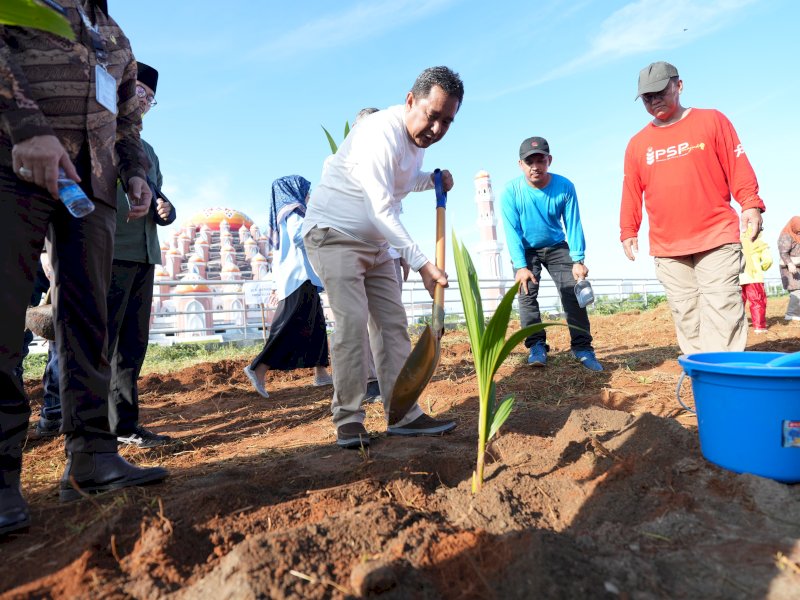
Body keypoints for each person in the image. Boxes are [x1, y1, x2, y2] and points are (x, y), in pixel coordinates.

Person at [0, 1, 168, 535]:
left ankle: (93, 454)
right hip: (14, 164)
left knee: (89, 323)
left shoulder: (112, 32)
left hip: (92, 191)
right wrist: (26, 127)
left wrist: (135, 173)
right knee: (3, 317)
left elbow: (127, 118)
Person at [302, 66, 462, 449]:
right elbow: (379, 207)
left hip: (375, 245)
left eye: (447, 121)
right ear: (411, 100)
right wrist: (423, 263)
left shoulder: (415, 145)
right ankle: (350, 419)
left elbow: (399, 183)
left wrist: (433, 180)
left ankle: (403, 413)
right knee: (352, 322)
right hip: (334, 235)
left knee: (392, 325)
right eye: (432, 115)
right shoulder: (380, 132)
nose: (437, 128)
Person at [619, 61, 766, 355]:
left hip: (716, 234)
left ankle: (724, 375)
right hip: (668, 244)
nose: (654, 100)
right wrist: (628, 229)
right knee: (686, 313)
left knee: (722, 304)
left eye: (660, 91)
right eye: (647, 97)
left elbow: (736, 164)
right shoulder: (637, 144)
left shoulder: (712, 121)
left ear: (679, 85)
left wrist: (750, 203)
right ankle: (702, 373)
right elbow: (631, 188)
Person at [108, 62, 176, 448]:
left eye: (151, 98)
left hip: (144, 253)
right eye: (139, 94)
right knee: (102, 343)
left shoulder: (146, 150)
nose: (145, 102)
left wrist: (167, 211)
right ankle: (91, 430)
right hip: (110, 249)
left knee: (133, 345)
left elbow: (155, 199)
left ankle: (125, 425)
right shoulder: (101, 135)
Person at [500, 137, 603, 372]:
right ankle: (537, 346)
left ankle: (583, 348)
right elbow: (511, 230)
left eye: (540, 160)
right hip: (526, 250)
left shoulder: (564, 186)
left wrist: (578, 260)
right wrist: (520, 266)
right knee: (526, 294)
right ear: (520, 164)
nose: (535, 166)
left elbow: (573, 223)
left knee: (572, 293)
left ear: (549, 160)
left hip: (556, 246)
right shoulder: (510, 192)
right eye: (529, 161)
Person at [243, 176, 332, 397]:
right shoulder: (294, 211)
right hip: (299, 278)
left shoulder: (287, 213)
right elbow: (300, 237)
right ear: (295, 190)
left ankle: (321, 373)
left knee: (316, 325)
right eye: (306, 190)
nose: (309, 195)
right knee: (288, 327)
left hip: (302, 278)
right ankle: (258, 368)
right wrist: (327, 233)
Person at [739, 226, 772, 333]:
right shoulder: (759, 243)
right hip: (755, 278)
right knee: (757, 302)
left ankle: (737, 327)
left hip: (738, 278)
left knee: (737, 303)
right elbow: (768, 260)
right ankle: (759, 327)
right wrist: (761, 268)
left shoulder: (737, 243)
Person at [777, 216, 800, 321]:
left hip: (798, 266)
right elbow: (783, 253)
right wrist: (790, 264)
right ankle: (790, 314)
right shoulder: (786, 236)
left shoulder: (797, 235)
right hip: (789, 268)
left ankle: (796, 314)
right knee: (796, 290)